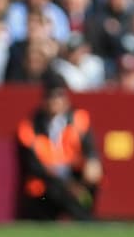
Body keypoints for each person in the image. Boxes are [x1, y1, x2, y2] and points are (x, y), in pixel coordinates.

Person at [15, 74, 103, 221]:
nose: (55, 101)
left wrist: (93, 161)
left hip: (75, 179)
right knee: (54, 189)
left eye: (59, 96)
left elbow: (89, 149)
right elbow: (35, 166)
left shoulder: (78, 119)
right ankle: (86, 221)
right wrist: (68, 185)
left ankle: (85, 217)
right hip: (47, 185)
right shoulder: (30, 126)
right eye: (51, 97)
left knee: (92, 176)